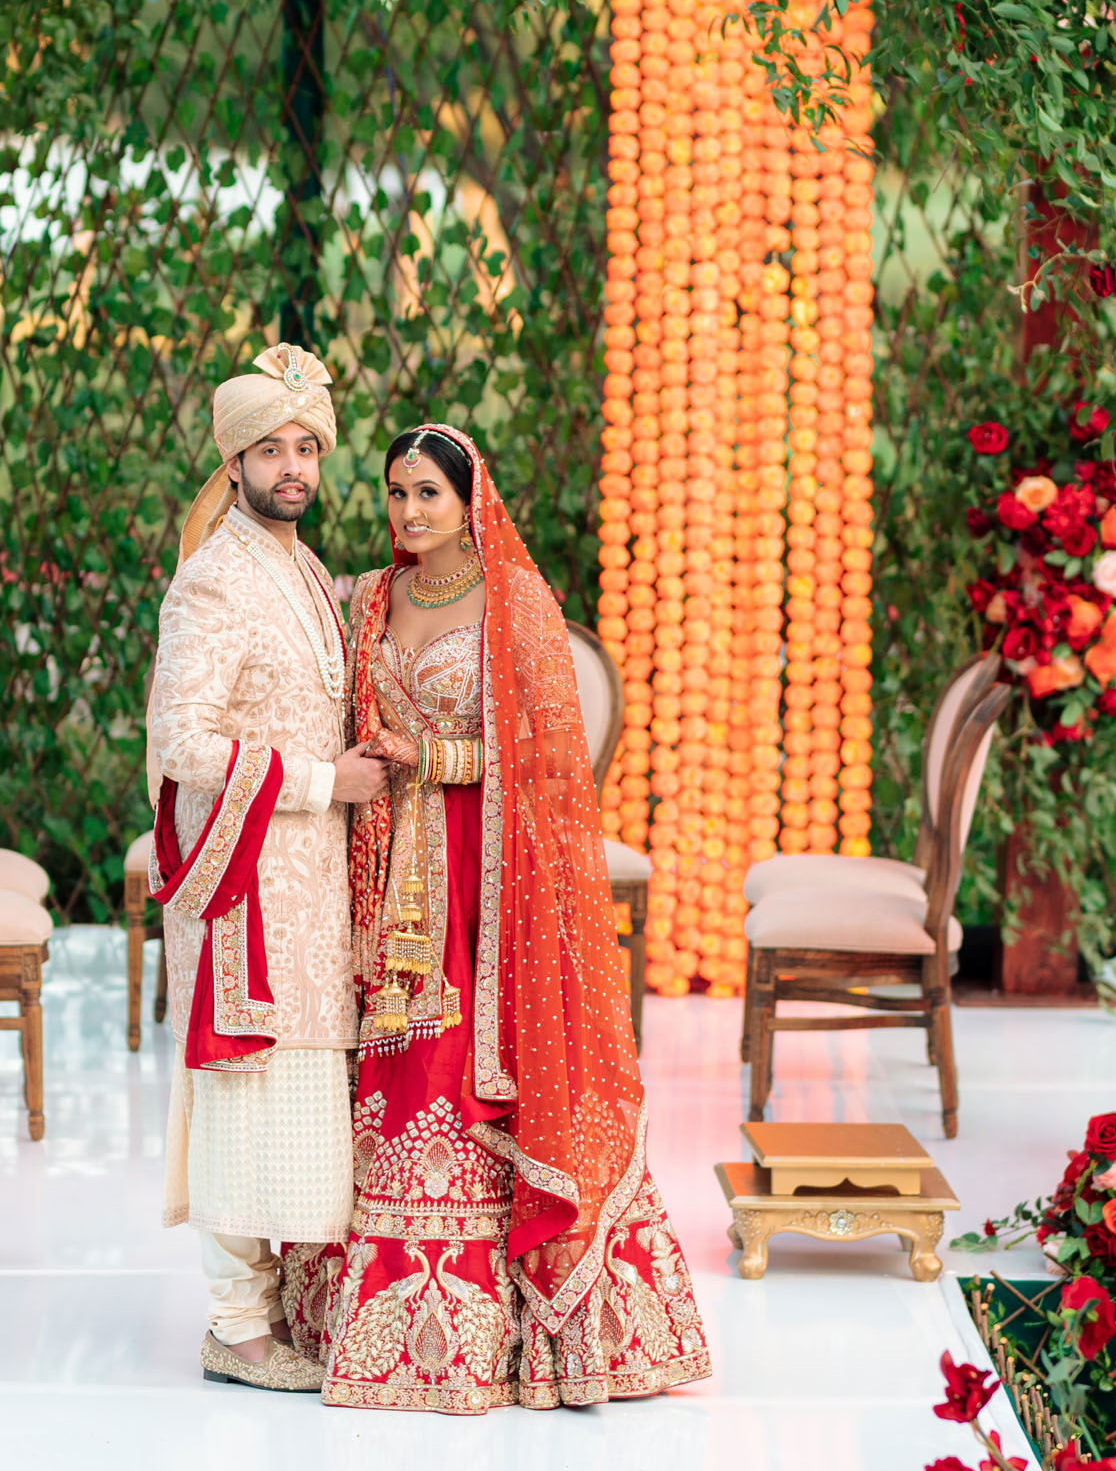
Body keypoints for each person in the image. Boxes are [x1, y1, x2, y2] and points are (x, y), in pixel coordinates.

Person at [285, 421, 711, 1412]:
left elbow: (552, 766)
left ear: (468, 498)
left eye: (427, 493)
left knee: (462, 1064)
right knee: (389, 1064)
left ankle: (512, 1334)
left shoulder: (515, 601)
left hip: (488, 871)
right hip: (387, 862)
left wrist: (435, 761)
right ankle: (382, 1319)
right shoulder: (372, 596)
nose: (408, 512)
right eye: (396, 493)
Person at [144, 341, 390, 1391]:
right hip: (246, 883)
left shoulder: (300, 566)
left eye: (307, 449)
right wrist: (322, 782)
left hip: (311, 884)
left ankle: (270, 1309)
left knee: (295, 1097)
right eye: (272, 450)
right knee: (247, 1097)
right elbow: (179, 743)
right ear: (235, 462)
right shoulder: (213, 580)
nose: (293, 467)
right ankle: (235, 1329)